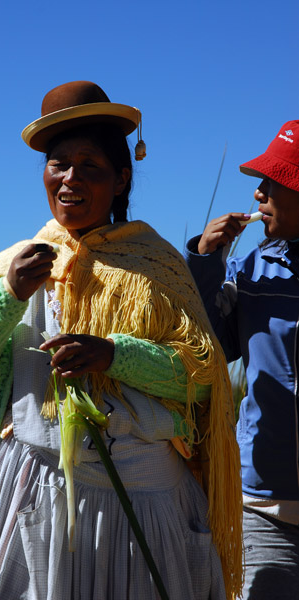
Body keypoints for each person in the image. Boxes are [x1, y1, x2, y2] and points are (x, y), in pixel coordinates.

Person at [0, 81, 242, 600]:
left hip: (142, 503)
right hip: (29, 497)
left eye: (89, 166)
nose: (70, 178)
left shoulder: (157, 270)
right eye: (59, 164)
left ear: (121, 179)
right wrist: (9, 294)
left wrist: (115, 355)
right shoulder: (18, 266)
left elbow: (204, 382)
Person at [184, 120, 299, 599]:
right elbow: (203, 350)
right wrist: (207, 261)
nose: (258, 194)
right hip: (263, 510)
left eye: (273, 182)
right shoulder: (250, 272)